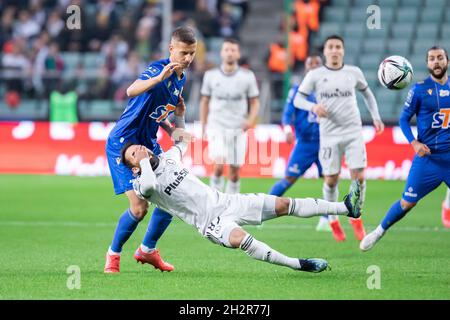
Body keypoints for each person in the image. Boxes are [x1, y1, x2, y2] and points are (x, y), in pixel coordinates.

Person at [121, 132, 363, 272]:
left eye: (139, 147)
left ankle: (345, 208)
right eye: (134, 153)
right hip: (211, 223)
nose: (140, 150)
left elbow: (183, 139)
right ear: (134, 168)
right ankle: (299, 264)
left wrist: (180, 116)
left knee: (283, 204)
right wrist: (142, 162)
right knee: (243, 240)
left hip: (228, 202)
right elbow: (151, 185)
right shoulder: (140, 184)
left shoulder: (168, 158)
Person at [104, 26, 197, 273]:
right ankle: (113, 255)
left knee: (171, 198)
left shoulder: (181, 78)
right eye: (184, 53)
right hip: (123, 143)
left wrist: (174, 125)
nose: (188, 59)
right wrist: (157, 79)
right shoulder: (159, 69)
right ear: (171, 49)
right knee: (139, 208)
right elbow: (131, 90)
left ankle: (147, 250)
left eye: (192, 53)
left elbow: (157, 114)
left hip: (147, 142)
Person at [294, 35, 385, 242]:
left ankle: (356, 216)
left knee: (359, 177)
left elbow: (367, 94)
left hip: (353, 132)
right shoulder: (315, 75)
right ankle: (333, 218)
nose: (334, 50)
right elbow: (298, 99)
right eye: (331, 47)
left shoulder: (353, 72)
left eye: (338, 47)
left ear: (343, 51)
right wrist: (313, 106)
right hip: (329, 134)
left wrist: (376, 117)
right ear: (325, 51)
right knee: (331, 179)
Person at [361, 46, 450, 251]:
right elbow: (403, 119)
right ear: (427, 64)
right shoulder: (419, 90)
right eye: (431, 59)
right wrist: (414, 143)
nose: (436, 62)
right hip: (428, 160)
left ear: (447, 62)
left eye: (440, 58)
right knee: (407, 202)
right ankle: (378, 232)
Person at [269, 54, 330, 232]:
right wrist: (288, 130)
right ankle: (260, 208)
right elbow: (288, 114)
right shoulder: (298, 90)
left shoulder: (329, 91)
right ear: (305, 67)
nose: (313, 66)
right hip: (305, 143)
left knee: (330, 180)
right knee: (289, 179)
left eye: (317, 63)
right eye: (310, 63)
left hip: (326, 143)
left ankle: (327, 220)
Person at [200, 38, 260, 194]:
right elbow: (204, 102)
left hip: (238, 128)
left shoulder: (247, 76)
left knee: (234, 173)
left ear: (238, 54)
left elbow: (255, 102)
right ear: (221, 53)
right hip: (217, 126)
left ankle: (232, 205)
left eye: (233, 50)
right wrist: (203, 125)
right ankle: (214, 201)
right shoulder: (210, 75)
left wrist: (250, 120)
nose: (230, 53)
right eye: (226, 50)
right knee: (219, 165)